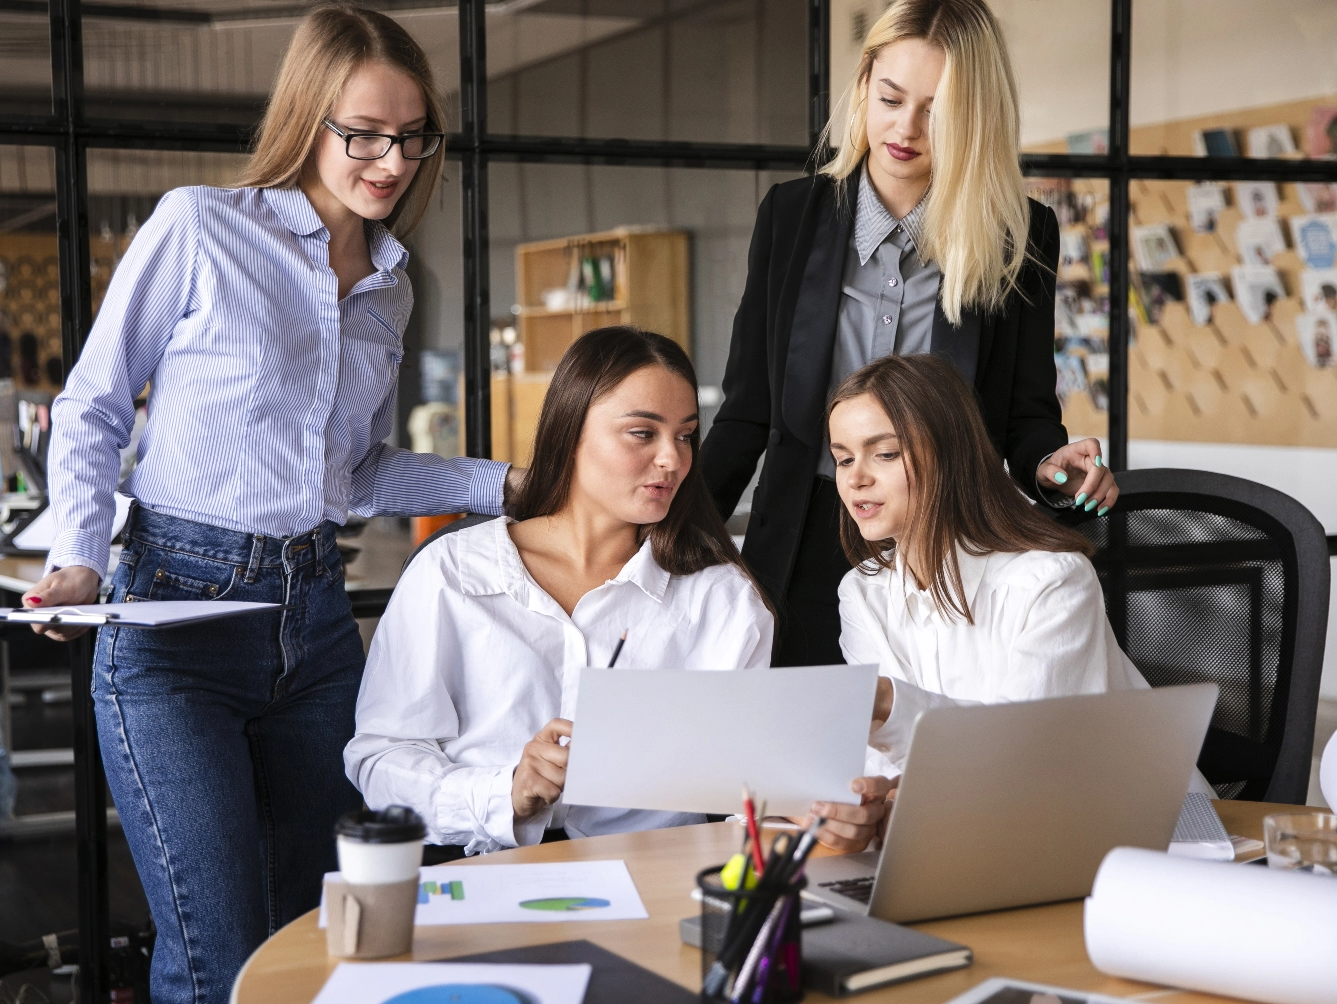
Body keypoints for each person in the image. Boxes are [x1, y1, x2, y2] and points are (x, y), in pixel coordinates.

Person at [20, 7, 517, 1002]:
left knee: (321, 937)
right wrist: (76, 555)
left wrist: (506, 484)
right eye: (363, 133)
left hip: (317, 625)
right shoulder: (201, 227)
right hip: (173, 625)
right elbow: (94, 403)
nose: (390, 160)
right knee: (217, 958)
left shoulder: (389, 287)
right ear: (309, 116)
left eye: (412, 137)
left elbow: (353, 479)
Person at [700, 0, 1117, 667]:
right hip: (806, 535)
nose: (906, 128)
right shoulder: (790, 216)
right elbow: (748, 411)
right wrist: (666, 530)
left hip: (948, 543)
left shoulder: (1020, 234)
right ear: (865, 82)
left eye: (937, 113)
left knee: (928, 743)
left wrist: (1048, 465)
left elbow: (1024, 413)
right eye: (891, 98)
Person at [346, 327, 775, 856]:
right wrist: (507, 793)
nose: (672, 460)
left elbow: (751, 789)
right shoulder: (452, 571)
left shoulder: (721, 598)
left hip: (654, 881)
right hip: (483, 872)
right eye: (643, 433)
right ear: (571, 431)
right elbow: (382, 761)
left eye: (685, 435)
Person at [806, 354, 1209, 853]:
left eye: (884, 454)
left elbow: (1017, 756)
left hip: (1143, 845)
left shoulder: (1052, 581)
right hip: (986, 843)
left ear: (949, 455)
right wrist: (862, 805)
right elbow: (891, 768)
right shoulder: (862, 593)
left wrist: (888, 704)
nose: (855, 478)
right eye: (843, 458)